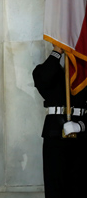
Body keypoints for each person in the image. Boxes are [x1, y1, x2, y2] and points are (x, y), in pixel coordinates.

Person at [33, 45, 87, 197]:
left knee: (79, 187)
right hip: (55, 134)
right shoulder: (44, 71)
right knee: (55, 188)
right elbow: (44, 79)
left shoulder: (84, 76)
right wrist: (57, 51)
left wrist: (81, 126)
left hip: (81, 137)